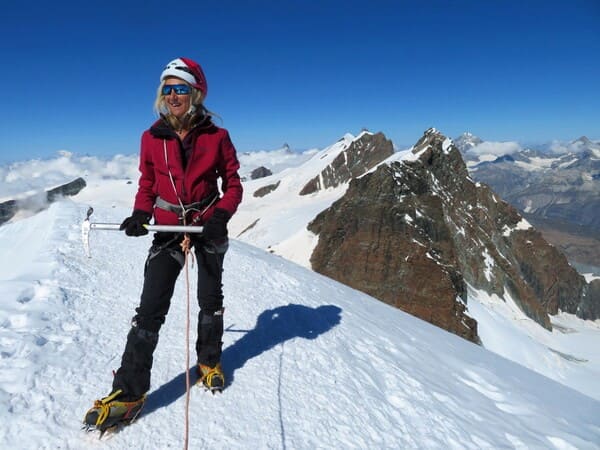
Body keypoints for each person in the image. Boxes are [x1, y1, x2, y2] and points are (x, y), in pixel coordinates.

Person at [84, 57, 243, 431]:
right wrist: (141, 214)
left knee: (210, 298)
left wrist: (221, 215)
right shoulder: (151, 138)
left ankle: (209, 361)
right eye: (168, 89)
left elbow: (233, 184)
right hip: (169, 228)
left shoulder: (216, 137)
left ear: (196, 93)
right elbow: (148, 184)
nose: (173, 95)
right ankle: (129, 391)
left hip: (207, 226)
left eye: (181, 88)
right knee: (150, 308)